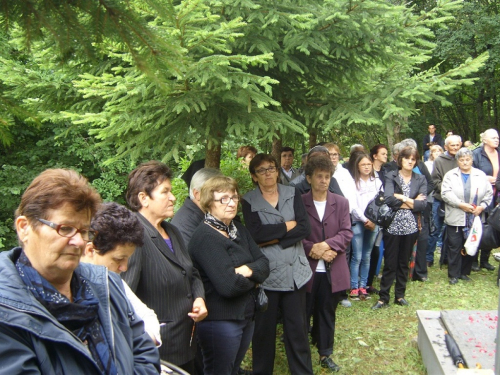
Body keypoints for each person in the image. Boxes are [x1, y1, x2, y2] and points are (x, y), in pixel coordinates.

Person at [0, 169, 160, 373]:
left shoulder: (107, 285)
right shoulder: (7, 310)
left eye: (84, 231)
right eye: (65, 229)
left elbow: (144, 352)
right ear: (24, 228)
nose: (78, 242)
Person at [122, 161, 207, 373]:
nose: (173, 197)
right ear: (143, 198)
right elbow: (124, 298)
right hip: (157, 353)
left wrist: (199, 297)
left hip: (186, 343)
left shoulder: (172, 231)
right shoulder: (134, 237)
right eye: (165, 192)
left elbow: (191, 272)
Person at [188, 176, 270, 375]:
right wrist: (255, 276)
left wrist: (247, 270)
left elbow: (265, 265)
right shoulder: (205, 238)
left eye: (234, 197)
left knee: (233, 370)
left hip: (246, 316)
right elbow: (229, 286)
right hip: (221, 322)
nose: (232, 203)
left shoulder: (237, 229)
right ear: (209, 203)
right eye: (224, 199)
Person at [242, 154, 314, 375]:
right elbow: (255, 235)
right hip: (267, 275)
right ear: (254, 176)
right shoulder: (248, 200)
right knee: (264, 333)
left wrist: (272, 237)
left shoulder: (292, 193)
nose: (268, 173)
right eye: (262, 170)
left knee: (297, 330)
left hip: (295, 273)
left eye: (271, 168)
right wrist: (286, 227)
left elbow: (304, 228)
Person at [81, 202, 162, 346]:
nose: (124, 268)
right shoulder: (69, 289)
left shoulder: (114, 281)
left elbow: (147, 316)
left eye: (127, 259)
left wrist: (137, 345)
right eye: (118, 259)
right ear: (90, 250)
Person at [301, 156, 353, 372]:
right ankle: (301, 353)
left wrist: (325, 246)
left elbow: (346, 232)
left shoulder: (341, 202)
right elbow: (294, 233)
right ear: (309, 178)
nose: (323, 180)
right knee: (303, 313)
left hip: (332, 268)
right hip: (307, 270)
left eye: (327, 176)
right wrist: (311, 249)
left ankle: (325, 354)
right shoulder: (299, 202)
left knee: (326, 313)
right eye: (319, 176)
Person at [372, 147, 427, 310]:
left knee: (404, 262)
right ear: (400, 160)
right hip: (393, 225)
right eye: (407, 158)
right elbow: (388, 199)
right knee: (390, 262)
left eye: (413, 159)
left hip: (411, 226)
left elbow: (422, 204)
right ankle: (383, 297)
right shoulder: (391, 176)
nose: (410, 161)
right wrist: (411, 201)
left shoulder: (421, 178)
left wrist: (402, 198)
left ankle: (400, 295)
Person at [442, 148, 493, 284]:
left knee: (471, 244)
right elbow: (446, 193)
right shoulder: (450, 175)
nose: (465, 162)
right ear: (457, 161)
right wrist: (460, 204)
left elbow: (489, 194)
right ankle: (453, 274)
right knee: (455, 245)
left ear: (472, 160)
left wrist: (481, 207)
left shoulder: (480, 175)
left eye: (467, 159)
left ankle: (465, 272)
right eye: (462, 160)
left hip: (475, 217)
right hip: (456, 215)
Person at [350, 153, 382, 300]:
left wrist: (374, 220)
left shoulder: (377, 182)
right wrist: (364, 219)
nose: (367, 167)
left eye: (369, 164)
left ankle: (364, 286)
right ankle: (353, 286)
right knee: (356, 256)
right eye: (363, 164)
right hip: (358, 222)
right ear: (358, 166)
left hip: (373, 223)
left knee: (367, 255)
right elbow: (352, 205)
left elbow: (381, 203)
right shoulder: (353, 183)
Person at [427, 135, 462, 267]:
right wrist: (449, 192)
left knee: (452, 231)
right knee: (435, 229)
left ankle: (447, 257)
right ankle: (428, 257)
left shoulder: (463, 159)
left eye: (457, 145)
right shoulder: (439, 161)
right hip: (440, 200)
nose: (455, 148)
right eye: (452, 145)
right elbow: (435, 181)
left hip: (459, 202)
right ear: (446, 147)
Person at [171, 167, 223, 246]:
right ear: (197, 194)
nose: (221, 197)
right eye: (214, 192)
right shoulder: (186, 225)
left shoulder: (203, 214)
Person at [472, 128, 500, 271]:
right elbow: (470, 172)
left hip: (497, 196)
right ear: (485, 140)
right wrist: (485, 178)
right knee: (480, 226)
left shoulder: (499, 152)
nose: (497, 139)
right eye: (493, 138)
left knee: (493, 227)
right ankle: (474, 260)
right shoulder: (476, 154)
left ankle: (485, 260)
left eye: (497, 137)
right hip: (481, 196)